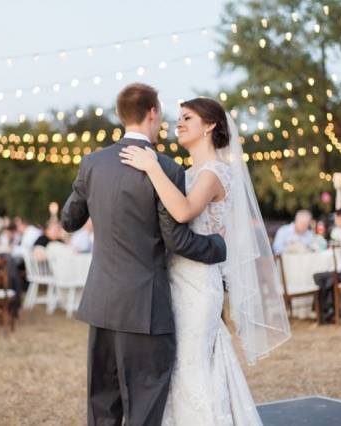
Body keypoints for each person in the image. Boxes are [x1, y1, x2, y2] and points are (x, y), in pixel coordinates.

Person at [115, 90, 290, 424]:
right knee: (183, 363)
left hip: (198, 284)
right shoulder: (187, 173)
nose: (177, 124)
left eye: (187, 119)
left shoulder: (214, 172)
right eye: (178, 118)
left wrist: (152, 168)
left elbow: (182, 212)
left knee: (191, 364)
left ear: (209, 126)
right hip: (174, 282)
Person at [62, 84, 233, 425]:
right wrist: (219, 246)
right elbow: (177, 241)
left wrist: (86, 189)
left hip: (101, 303)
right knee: (145, 402)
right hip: (145, 307)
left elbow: (69, 220)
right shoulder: (166, 168)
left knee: (102, 402)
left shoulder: (93, 163)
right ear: (153, 113)